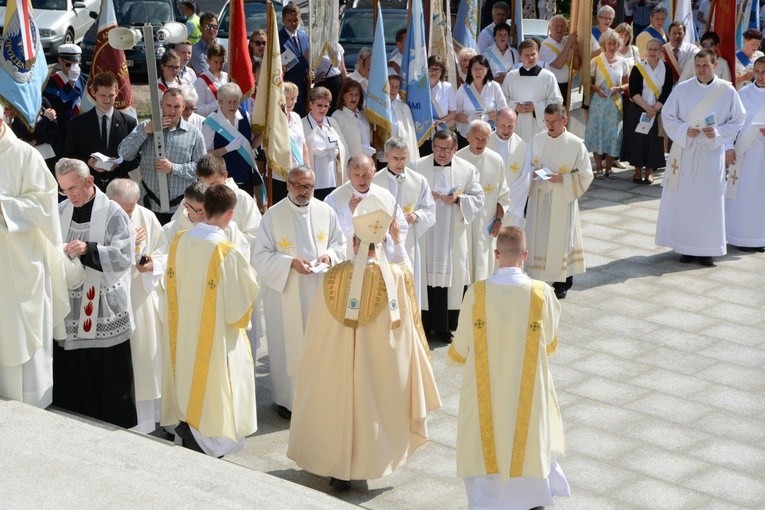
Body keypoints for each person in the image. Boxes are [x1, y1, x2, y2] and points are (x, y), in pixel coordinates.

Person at [287, 194, 441, 491]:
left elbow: (316, 327)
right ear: (381, 243)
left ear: (354, 243)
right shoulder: (395, 277)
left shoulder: (333, 276)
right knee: (374, 403)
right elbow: (409, 281)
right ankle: (369, 461)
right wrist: (397, 241)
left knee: (340, 402)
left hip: (338, 361)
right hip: (378, 362)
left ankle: (338, 468)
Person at [448, 226, 569, 510]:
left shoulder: (477, 293)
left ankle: (487, 502)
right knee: (528, 439)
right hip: (528, 391)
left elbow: (461, 347)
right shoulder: (541, 293)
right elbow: (550, 342)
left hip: (484, 390)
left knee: (484, 442)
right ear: (525, 255)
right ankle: (530, 499)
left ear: (496, 254)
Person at [162, 183, 259, 457]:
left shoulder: (180, 240)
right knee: (218, 384)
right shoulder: (225, 252)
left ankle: (187, 426)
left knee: (188, 373)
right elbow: (239, 309)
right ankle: (208, 440)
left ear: (203, 210)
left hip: (183, 330)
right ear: (230, 215)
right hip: (215, 335)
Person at [252, 166, 346, 419]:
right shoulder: (273, 215)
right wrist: (290, 263)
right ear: (288, 185)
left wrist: (329, 255)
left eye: (309, 187)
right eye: (298, 186)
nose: (304, 192)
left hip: (319, 290)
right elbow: (259, 256)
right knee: (289, 344)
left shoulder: (325, 211)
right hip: (287, 293)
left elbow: (340, 243)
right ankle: (287, 400)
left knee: (319, 345)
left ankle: (320, 397)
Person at [54, 158, 137, 428]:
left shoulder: (113, 213)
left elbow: (124, 257)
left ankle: (114, 427)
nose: (70, 195)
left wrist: (88, 249)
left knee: (108, 375)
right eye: (64, 190)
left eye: (74, 188)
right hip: (71, 308)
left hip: (104, 308)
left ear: (89, 181)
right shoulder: (60, 211)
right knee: (74, 374)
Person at [0, 105, 71, 408]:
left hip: (19, 262)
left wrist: (3, 206)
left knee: (18, 333)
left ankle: (26, 404)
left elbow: (44, 204)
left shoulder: (24, 155)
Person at [656, 50, 746, 267]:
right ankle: (685, 247)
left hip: (710, 154)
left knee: (709, 203)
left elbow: (738, 119)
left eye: (705, 65)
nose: (701, 70)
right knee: (686, 201)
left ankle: (707, 249)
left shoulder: (727, 91)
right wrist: (685, 130)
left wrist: (717, 133)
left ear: (715, 65)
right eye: (698, 66)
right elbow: (668, 115)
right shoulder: (682, 89)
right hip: (686, 153)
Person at [410, 129, 484, 341]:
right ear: (432, 147)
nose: (441, 153)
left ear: (455, 149)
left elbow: (478, 198)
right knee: (424, 276)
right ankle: (423, 325)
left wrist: (458, 199)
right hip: (426, 234)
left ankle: (445, 327)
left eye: (446, 149)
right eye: (438, 148)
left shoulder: (467, 170)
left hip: (452, 233)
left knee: (449, 277)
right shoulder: (417, 167)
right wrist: (423, 199)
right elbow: (407, 194)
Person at [105, 178, 166, 433]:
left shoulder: (147, 217)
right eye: (122, 209)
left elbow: (164, 252)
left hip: (140, 296)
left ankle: (147, 420)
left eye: (130, 209)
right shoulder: (102, 217)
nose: (127, 214)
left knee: (144, 360)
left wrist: (151, 263)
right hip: (111, 300)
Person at [525, 103, 593, 299]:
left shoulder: (576, 144)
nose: (550, 126)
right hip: (539, 197)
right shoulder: (536, 140)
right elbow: (526, 166)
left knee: (562, 239)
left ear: (565, 120)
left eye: (554, 121)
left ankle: (562, 283)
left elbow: (586, 175)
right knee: (538, 237)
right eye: (547, 121)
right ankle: (537, 276)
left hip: (562, 199)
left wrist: (562, 178)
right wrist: (532, 173)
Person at [119, 88, 206, 225]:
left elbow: (201, 169)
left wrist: (173, 168)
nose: (172, 111)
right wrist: (145, 132)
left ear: (183, 106)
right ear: (161, 104)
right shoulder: (145, 126)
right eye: (168, 106)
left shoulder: (194, 134)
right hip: (149, 204)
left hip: (181, 207)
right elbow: (124, 153)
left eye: (177, 106)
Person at [373, 136, 436, 304]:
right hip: (383, 242)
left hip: (408, 243)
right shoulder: (375, 181)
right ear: (386, 157)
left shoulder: (418, 180)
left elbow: (429, 208)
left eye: (403, 158)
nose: (400, 163)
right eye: (395, 158)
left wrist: (416, 216)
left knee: (409, 284)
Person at [325, 153, 408, 260]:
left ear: (374, 172)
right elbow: (330, 232)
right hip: (349, 262)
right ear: (348, 174)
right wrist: (348, 211)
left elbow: (401, 225)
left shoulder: (385, 195)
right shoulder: (334, 198)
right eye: (357, 175)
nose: (362, 180)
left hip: (381, 260)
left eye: (366, 175)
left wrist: (386, 238)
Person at [455, 120, 511, 281]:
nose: (480, 143)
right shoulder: (458, 159)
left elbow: (503, 194)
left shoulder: (496, 160)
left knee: (483, 267)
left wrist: (499, 220)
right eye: (477, 138)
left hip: (486, 225)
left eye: (484, 139)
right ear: (468, 137)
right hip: (463, 224)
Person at [65, 72, 138, 192]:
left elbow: (137, 157)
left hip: (118, 185)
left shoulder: (129, 123)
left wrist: (119, 164)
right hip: (88, 184)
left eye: (111, 95)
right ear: (94, 93)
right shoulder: (77, 123)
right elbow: (69, 154)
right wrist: (88, 162)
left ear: (117, 92)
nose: (107, 100)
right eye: (102, 95)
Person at [725, 56, 765, 252]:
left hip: (763, 154)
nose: (760, 76)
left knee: (760, 196)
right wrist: (728, 147)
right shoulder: (743, 94)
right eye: (757, 72)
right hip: (745, 154)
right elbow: (732, 123)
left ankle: (760, 237)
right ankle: (740, 236)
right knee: (744, 196)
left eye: (764, 72)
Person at [622, 38, 673, 184]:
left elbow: (667, 90)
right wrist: (647, 108)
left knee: (653, 141)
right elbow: (634, 91)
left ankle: (649, 173)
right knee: (637, 140)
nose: (652, 52)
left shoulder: (666, 68)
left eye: (655, 49)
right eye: (649, 49)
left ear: (660, 51)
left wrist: (655, 108)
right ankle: (637, 172)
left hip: (656, 111)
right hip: (639, 109)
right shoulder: (638, 67)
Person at [201, 83, 263, 201]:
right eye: (229, 102)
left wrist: (265, 135)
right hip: (222, 181)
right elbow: (205, 155)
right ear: (220, 102)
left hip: (245, 178)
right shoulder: (211, 122)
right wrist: (227, 148)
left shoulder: (245, 116)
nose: (232, 105)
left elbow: (249, 146)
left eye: (235, 101)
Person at [585, 29, 630, 179]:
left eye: (615, 43)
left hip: (614, 103)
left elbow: (627, 84)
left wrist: (619, 89)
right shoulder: (596, 61)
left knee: (612, 135)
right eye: (609, 43)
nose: (612, 46)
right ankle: (598, 168)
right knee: (598, 132)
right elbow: (588, 83)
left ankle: (608, 168)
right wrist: (597, 89)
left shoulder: (623, 61)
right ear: (604, 44)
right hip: (599, 102)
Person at [163, 182, 250, 258]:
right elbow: (165, 261)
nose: (206, 214)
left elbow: (242, 256)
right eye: (200, 210)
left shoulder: (230, 228)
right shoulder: (171, 230)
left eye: (208, 208)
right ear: (186, 206)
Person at [501, 39, 563, 144]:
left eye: (533, 54)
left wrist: (535, 106)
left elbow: (557, 101)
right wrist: (515, 106)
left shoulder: (548, 76)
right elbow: (502, 100)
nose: (530, 58)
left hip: (538, 125)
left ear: (538, 54)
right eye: (526, 55)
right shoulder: (511, 76)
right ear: (520, 56)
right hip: (516, 125)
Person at [487, 108, 533, 227]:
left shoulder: (523, 147)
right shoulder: (485, 142)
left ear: (516, 125)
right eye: (503, 125)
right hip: (487, 202)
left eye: (510, 126)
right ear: (495, 122)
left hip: (512, 206)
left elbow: (524, 179)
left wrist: (504, 203)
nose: (506, 130)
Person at [302, 87, 348, 200]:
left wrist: (337, 152)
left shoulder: (332, 122)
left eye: (326, 106)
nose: (323, 109)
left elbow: (343, 148)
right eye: (319, 105)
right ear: (310, 104)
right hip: (313, 179)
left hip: (332, 179)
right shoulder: (302, 124)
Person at [43, 44, 85, 159]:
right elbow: (58, 107)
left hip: (82, 130)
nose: (73, 68)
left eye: (77, 63)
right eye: (69, 64)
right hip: (63, 132)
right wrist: (71, 83)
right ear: (60, 61)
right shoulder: (52, 81)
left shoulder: (83, 78)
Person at [271, 81, 311, 203]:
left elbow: (303, 144)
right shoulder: (274, 119)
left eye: (293, 98)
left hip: (298, 172)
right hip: (280, 173)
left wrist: (307, 166)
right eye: (286, 98)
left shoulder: (297, 117)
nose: (289, 102)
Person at [455, 55, 507, 148]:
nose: (477, 72)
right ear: (470, 71)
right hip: (466, 136)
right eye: (474, 69)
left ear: (486, 70)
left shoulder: (494, 86)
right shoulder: (463, 89)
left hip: (489, 134)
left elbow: (503, 111)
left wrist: (487, 117)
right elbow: (456, 115)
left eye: (481, 69)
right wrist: (470, 119)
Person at [11, 96, 59, 173]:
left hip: (46, 154)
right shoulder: (16, 102)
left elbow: (54, 130)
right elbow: (27, 135)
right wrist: (46, 119)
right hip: (25, 156)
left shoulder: (42, 100)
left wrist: (34, 141)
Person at [539, 15, 580, 103]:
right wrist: (568, 44)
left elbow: (576, 67)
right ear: (550, 28)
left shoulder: (567, 41)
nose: (559, 29)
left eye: (562, 26)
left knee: (565, 114)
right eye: (557, 26)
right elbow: (558, 65)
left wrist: (575, 51)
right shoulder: (544, 45)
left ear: (566, 29)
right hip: (552, 86)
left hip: (567, 84)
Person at [279, 2, 310, 116]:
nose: (293, 23)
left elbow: (308, 58)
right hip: (289, 89)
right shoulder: (278, 39)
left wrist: (311, 71)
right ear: (283, 20)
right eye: (290, 20)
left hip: (306, 87)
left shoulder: (303, 35)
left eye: (296, 20)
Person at [330, 79, 375, 160]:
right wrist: (360, 149)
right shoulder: (337, 116)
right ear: (344, 96)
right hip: (350, 163)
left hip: (367, 161)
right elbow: (338, 144)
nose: (354, 97)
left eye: (357, 95)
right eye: (351, 94)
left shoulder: (363, 115)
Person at [424, 55, 457, 156]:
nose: (434, 72)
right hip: (423, 132)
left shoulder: (447, 87)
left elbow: (453, 113)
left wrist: (440, 121)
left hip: (441, 132)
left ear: (442, 71)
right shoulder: (419, 87)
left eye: (437, 69)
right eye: (431, 69)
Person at [387, 75, 421, 163]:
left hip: (399, 153)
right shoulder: (378, 107)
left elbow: (409, 134)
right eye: (391, 86)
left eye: (397, 87)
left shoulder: (404, 108)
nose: (393, 89)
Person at [194, 44, 229, 117]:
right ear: (208, 61)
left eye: (221, 62)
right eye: (216, 62)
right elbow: (199, 111)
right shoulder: (200, 82)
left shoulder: (227, 77)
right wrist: (219, 103)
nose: (219, 66)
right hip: (210, 124)